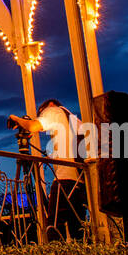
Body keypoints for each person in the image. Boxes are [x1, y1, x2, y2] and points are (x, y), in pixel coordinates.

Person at [35, 99, 87, 238]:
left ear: (50, 105)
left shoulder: (54, 111)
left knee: (53, 227)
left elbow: (33, 126)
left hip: (65, 179)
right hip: (80, 182)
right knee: (78, 230)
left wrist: (18, 120)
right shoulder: (76, 121)